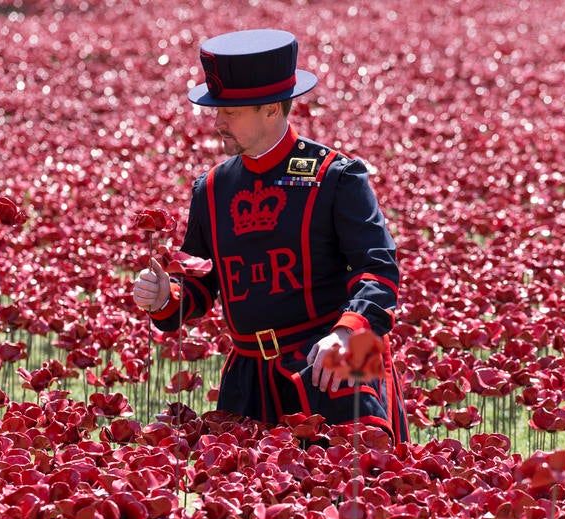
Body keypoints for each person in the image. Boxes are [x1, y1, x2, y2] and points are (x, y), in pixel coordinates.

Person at [133, 28, 408, 443]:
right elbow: (200, 284)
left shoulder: (337, 175)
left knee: (366, 493)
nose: (217, 121)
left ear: (271, 110)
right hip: (249, 375)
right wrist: (163, 298)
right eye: (216, 109)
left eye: (230, 111)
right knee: (244, 503)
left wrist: (347, 331)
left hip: (338, 357)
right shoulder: (210, 188)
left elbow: (380, 270)